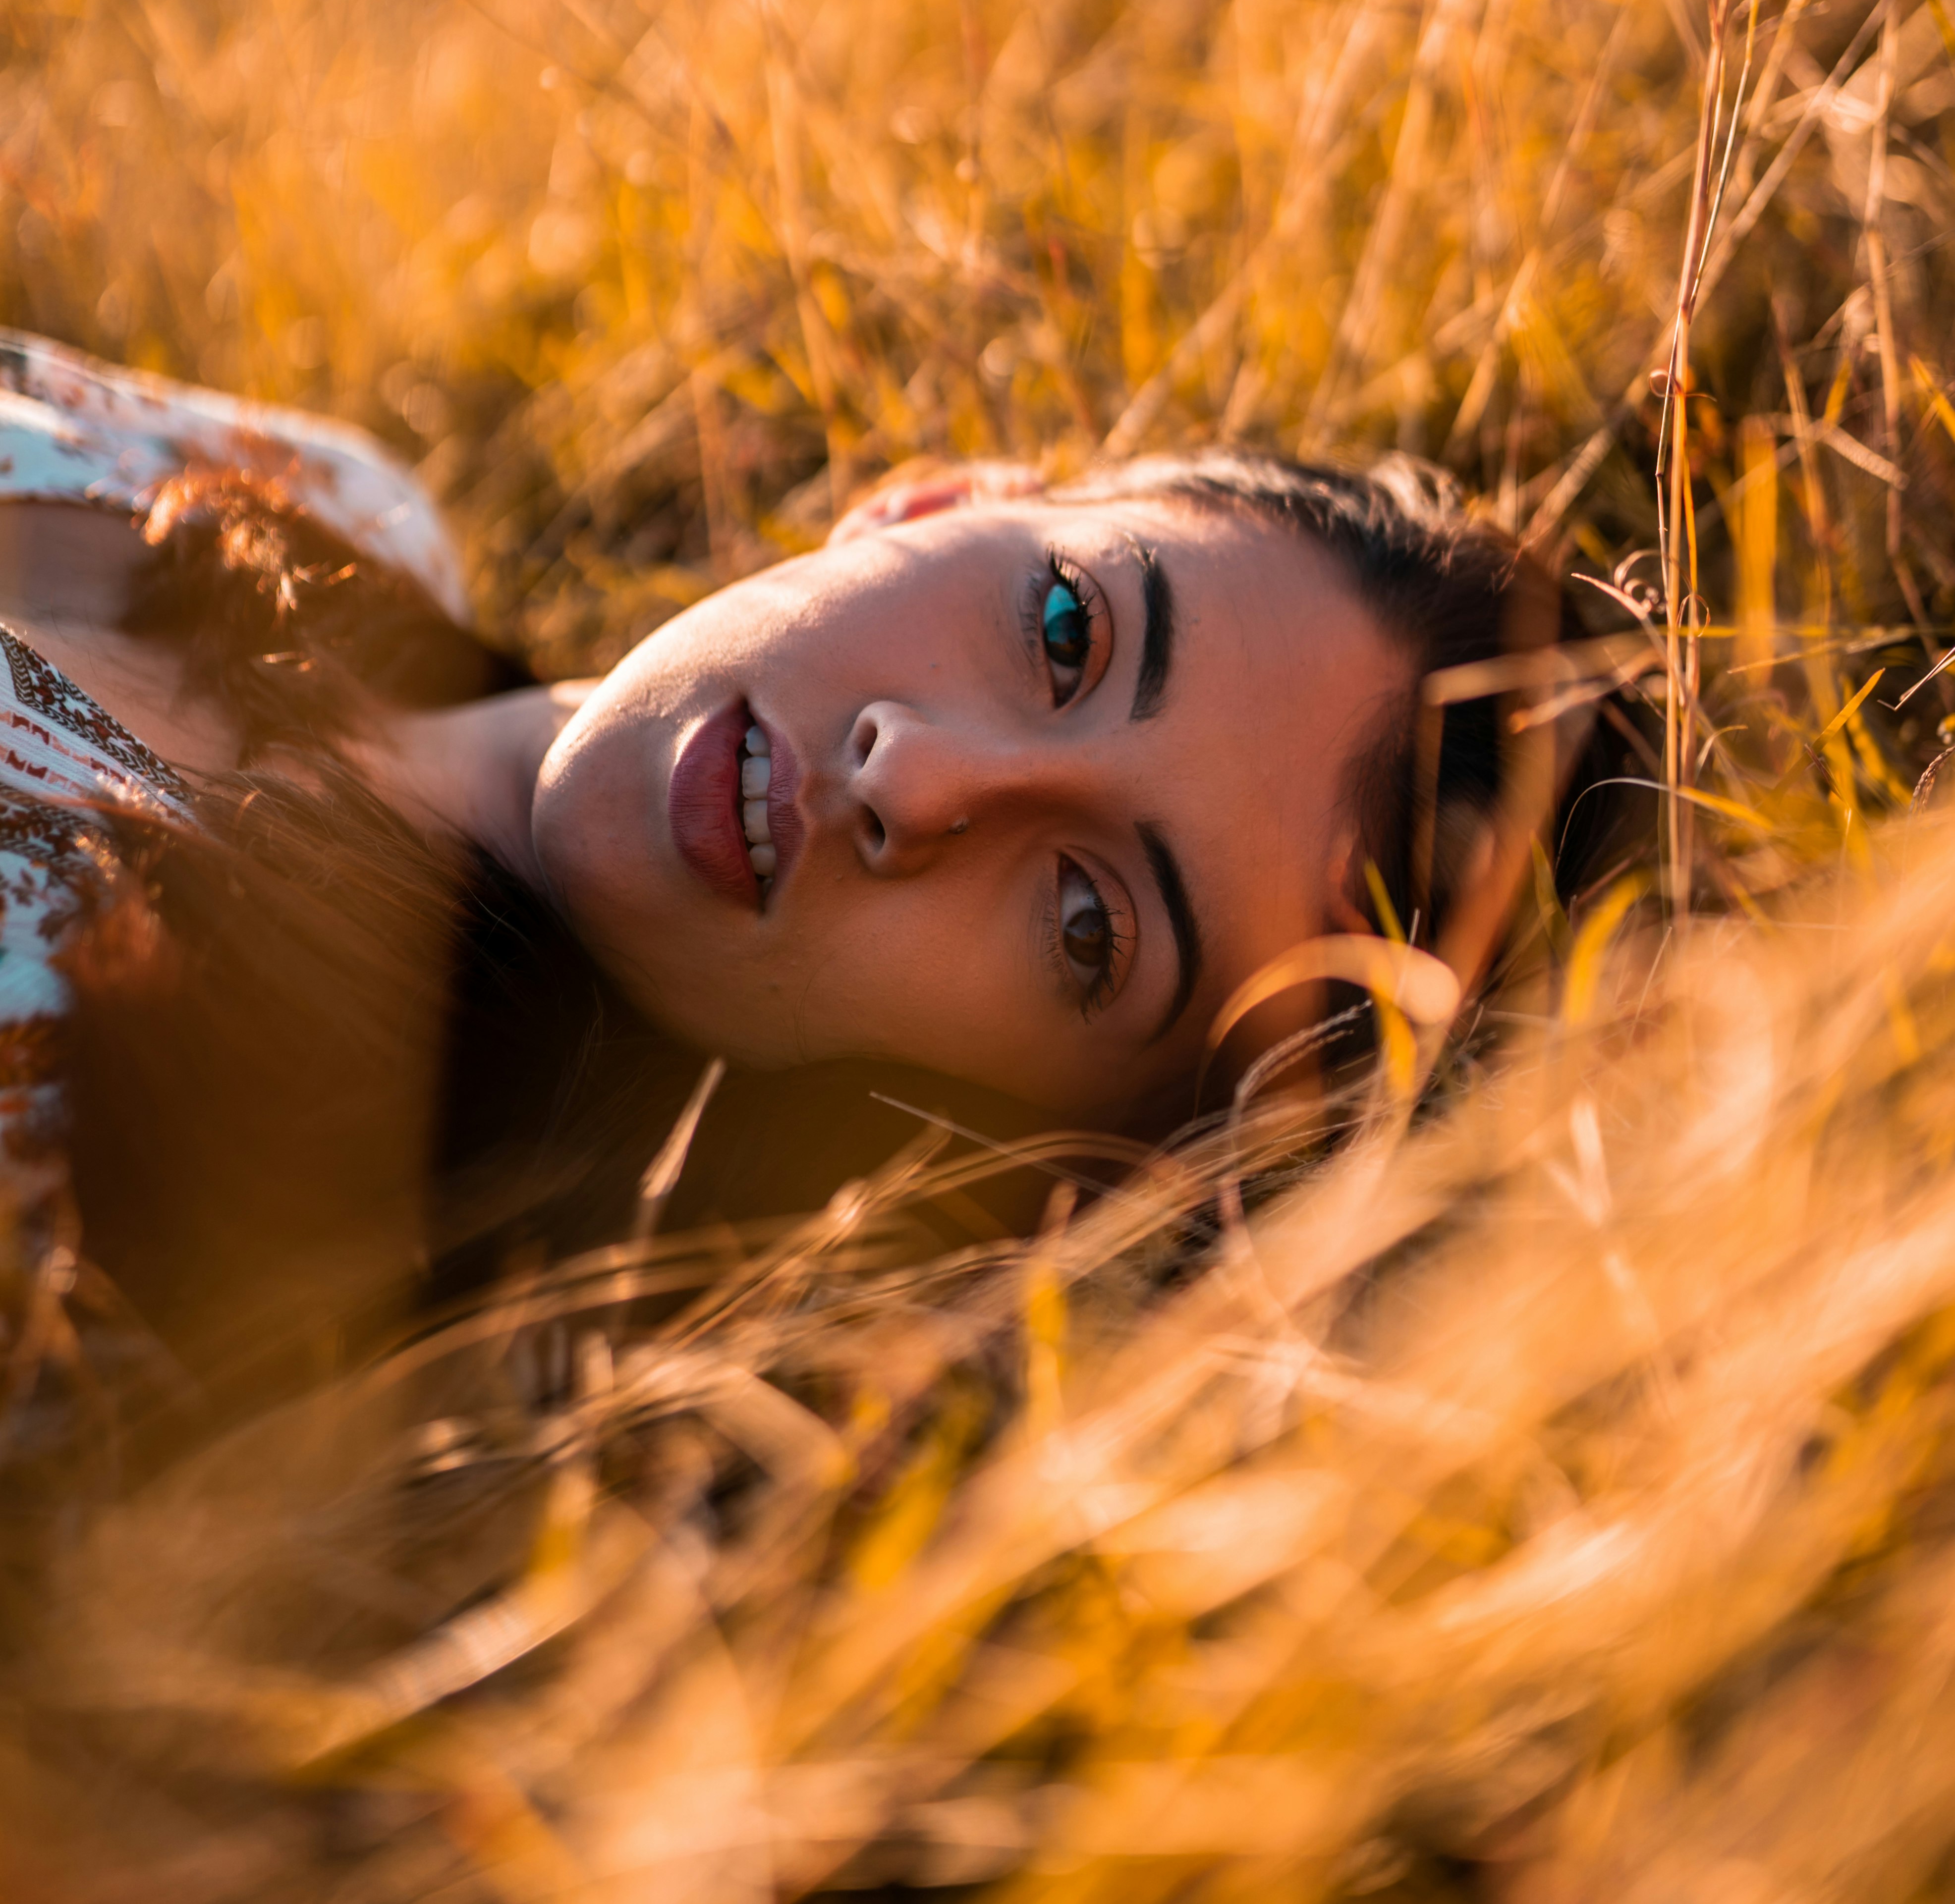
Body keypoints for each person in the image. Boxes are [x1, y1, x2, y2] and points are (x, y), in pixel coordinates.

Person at [0, 327, 1625, 1445]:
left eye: (1084, 928)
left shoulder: (136, 1161)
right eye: (1066, 630)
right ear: (950, 497)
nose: (914, 784)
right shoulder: (338, 503)